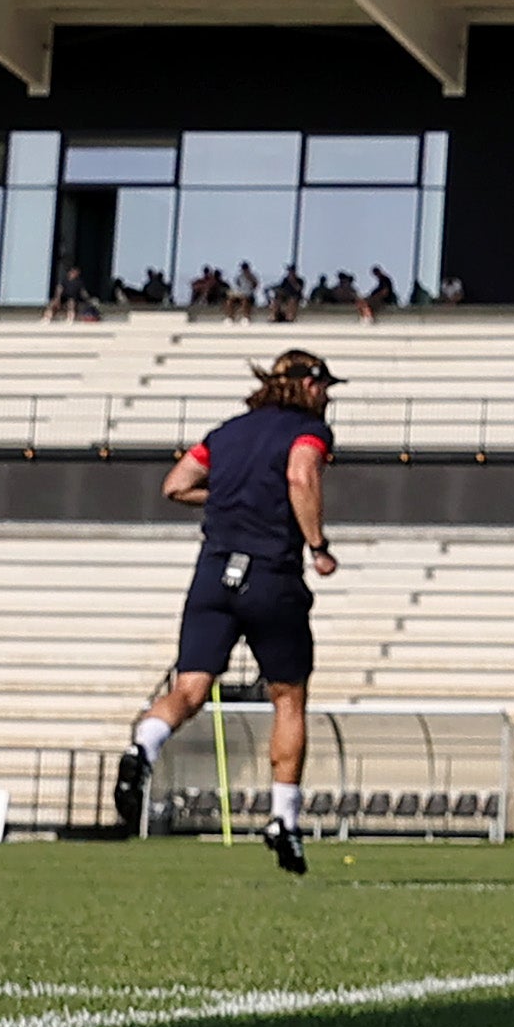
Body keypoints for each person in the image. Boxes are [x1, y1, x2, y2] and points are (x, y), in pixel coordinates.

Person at [112, 348, 344, 876]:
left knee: (189, 689)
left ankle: (143, 749)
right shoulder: (308, 431)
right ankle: (284, 818)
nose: (328, 397)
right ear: (306, 386)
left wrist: (233, 497)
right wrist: (318, 545)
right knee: (288, 697)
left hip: (213, 572)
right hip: (270, 574)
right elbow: (301, 477)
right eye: (324, 387)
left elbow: (176, 485)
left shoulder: (227, 432)